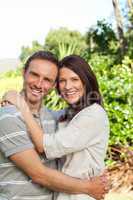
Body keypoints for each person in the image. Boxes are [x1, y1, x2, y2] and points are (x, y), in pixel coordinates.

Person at [0, 51, 108, 200]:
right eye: (34, 75)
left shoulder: (54, 118)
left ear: (52, 85)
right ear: (23, 73)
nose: (39, 84)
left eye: (47, 79)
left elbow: (52, 144)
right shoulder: (8, 117)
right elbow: (39, 174)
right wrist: (89, 187)